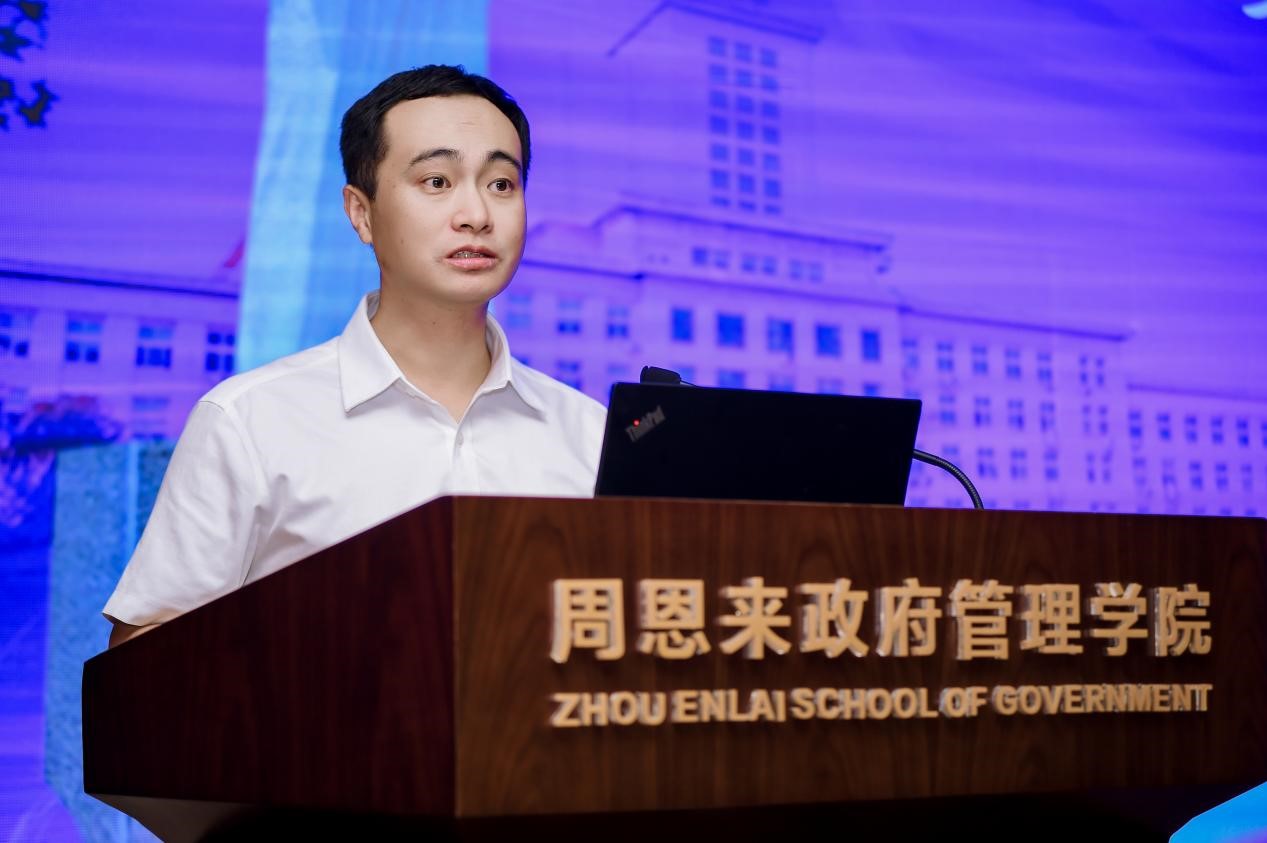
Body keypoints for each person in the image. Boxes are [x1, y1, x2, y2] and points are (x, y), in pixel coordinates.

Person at [103, 65, 607, 646]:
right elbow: (140, 657)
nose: (476, 214)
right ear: (361, 213)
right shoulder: (250, 420)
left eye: (501, 184)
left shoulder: (588, 433)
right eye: (437, 181)